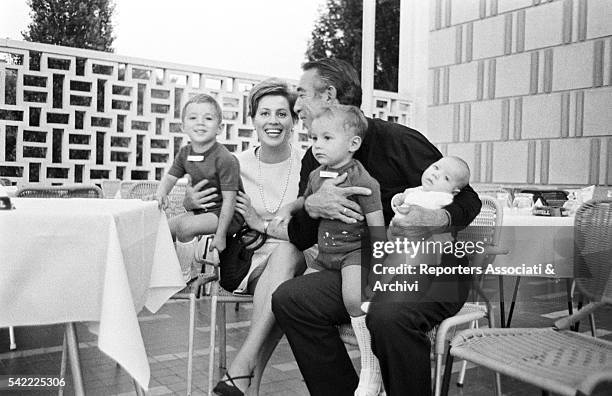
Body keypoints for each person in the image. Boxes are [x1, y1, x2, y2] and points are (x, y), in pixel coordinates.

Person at [268, 58, 482, 396]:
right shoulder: (317, 155)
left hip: (433, 269)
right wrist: (311, 205)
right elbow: (302, 235)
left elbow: (469, 199)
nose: (297, 105)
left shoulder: (399, 140)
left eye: (303, 94)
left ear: (329, 96)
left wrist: (437, 218)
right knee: (291, 299)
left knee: (387, 316)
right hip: (366, 268)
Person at [200, 78, 306, 396]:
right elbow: (204, 208)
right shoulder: (235, 164)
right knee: (284, 284)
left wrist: (261, 222)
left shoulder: (308, 164)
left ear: (293, 120)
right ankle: (246, 378)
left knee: (288, 255)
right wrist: (193, 201)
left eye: (281, 113)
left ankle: (243, 375)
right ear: (253, 118)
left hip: (299, 254)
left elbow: (309, 229)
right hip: (248, 257)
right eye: (264, 113)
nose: (273, 121)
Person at [298, 104, 386, 395]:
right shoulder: (315, 176)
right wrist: (289, 208)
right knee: (299, 297)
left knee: (352, 299)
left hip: (353, 253)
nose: (317, 146)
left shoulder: (363, 179)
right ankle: (328, 370)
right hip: (324, 255)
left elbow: (376, 224)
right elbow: (307, 203)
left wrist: (382, 258)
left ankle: (370, 361)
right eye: (313, 139)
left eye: (326, 138)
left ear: (353, 144)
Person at [156, 93, 243, 280]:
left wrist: (220, 235)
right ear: (183, 126)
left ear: (219, 128)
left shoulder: (225, 158)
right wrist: (161, 193)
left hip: (227, 215)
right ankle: (164, 274)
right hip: (203, 211)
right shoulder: (185, 153)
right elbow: (170, 178)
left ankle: (186, 273)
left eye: (208, 118)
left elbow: (230, 201)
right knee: (160, 230)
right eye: (193, 118)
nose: (200, 123)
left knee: (185, 227)